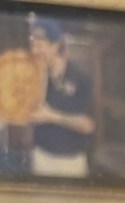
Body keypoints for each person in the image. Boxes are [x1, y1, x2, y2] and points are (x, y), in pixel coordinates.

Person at [24, 17, 95, 180]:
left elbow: (88, 125)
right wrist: (40, 76)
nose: (34, 51)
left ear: (55, 46)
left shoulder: (80, 77)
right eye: (32, 45)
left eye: (39, 45)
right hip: (40, 158)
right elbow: (31, 114)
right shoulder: (33, 76)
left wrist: (52, 116)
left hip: (72, 163)